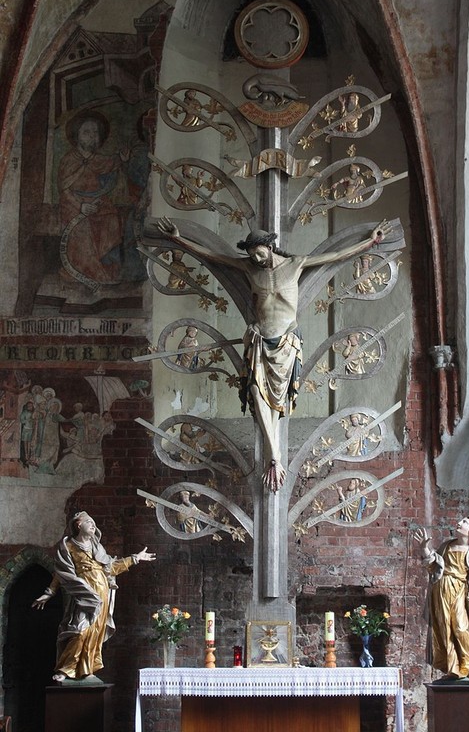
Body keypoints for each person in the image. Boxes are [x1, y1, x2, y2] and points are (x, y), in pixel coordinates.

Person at [157, 217, 390, 492]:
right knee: (256, 393)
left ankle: (274, 457)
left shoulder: (295, 264)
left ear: (270, 246)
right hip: (259, 340)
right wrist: (178, 239)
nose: (255, 257)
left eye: (259, 252)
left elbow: (336, 255)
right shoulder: (248, 268)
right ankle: (274, 458)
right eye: (251, 253)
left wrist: (371, 241)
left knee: (276, 403)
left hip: (286, 342)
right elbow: (213, 256)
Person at [32, 511, 155, 682]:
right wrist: (49, 593)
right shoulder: (68, 546)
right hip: (85, 594)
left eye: (93, 522)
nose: (93, 525)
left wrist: (135, 558)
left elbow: (110, 568)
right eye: (88, 521)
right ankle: (65, 668)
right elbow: (62, 572)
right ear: (78, 525)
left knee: (95, 633)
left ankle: (86, 668)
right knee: (80, 630)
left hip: (102, 593)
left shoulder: (97, 547)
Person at [414, 516, 469, 683]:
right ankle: (453, 668)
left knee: (461, 628)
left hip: (459, 591)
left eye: (464, 522)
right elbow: (433, 564)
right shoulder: (447, 546)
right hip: (440, 590)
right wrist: (424, 548)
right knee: (444, 629)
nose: (459, 523)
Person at [58, 112, 131, 283]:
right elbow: (64, 191)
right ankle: (88, 273)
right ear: (77, 135)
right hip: (73, 204)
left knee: (112, 220)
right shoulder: (68, 160)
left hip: (99, 203)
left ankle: (108, 268)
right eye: (87, 132)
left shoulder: (98, 159)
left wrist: (122, 159)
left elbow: (111, 163)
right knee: (82, 227)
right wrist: (80, 206)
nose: (92, 136)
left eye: (95, 132)